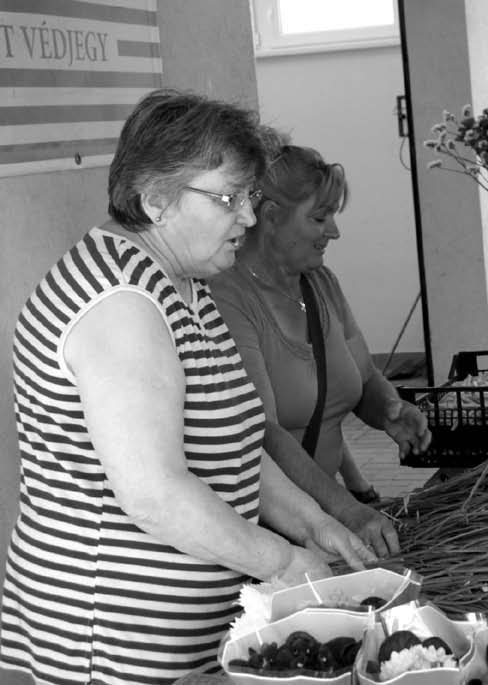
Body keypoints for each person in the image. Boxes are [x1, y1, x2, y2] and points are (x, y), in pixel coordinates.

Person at [0, 90, 373, 685]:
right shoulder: (121, 302)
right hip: (111, 641)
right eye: (229, 198)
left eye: (249, 197)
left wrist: (316, 524)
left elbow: (234, 448)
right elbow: (154, 494)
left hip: (180, 639)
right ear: (156, 200)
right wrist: (283, 561)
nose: (249, 218)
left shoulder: (184, 281)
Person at [210, 139, 430, 559]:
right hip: (272, 534)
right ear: (272, 217)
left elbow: (364, 378)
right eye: (319, 217)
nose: (334, 231)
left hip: (323, 528)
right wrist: (348, 511)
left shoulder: (321, 283)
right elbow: (264, 435)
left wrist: (389, 411)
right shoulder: (229, 297)